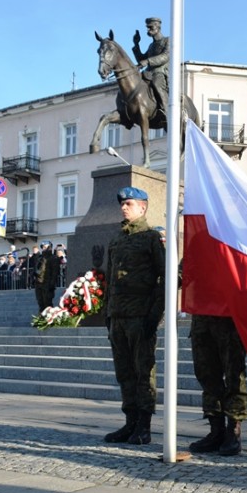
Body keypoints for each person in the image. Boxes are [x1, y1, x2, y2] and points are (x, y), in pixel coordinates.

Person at [103, 186, 165, 446]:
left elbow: (166, 277)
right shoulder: (117, 239)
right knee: (125, 372)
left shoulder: (151, 238)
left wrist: (155, 314)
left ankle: (144, 425)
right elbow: (109, 279)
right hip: (118, 316)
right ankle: (130, 422)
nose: (124, 207)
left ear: (143, 207)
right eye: (123, 204)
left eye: (129, 203)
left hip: (141, 317)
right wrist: (108, 313)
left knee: (143, 372)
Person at [188, 315, 247, 457]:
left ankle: (234, 429)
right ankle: (216, 431)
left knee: (234, 377)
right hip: (202, 319)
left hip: (228, 318)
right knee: (207, 376)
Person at [132, 17, 170, 118]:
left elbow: (165, 56)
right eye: (147, 28)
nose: (148, 30)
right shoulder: (151, 46)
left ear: (158, 27)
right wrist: (136, 44)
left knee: (156, 83)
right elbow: (141, 59)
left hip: (161, 72)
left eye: (150, 27)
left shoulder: (167, 40)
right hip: (149, 72)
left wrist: (148, 61)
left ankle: (165, 109)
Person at [34, 241, 60, 312]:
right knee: (40, 303)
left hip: (47, 284)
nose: (44, 248)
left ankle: (49, 320)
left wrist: (52, 284)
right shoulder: (40, 258)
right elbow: (36, 269)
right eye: (43, 247)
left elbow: (55, 273)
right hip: (39, 283)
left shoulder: (53, 258)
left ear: (50, 248)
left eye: (45, 247)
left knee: (47, 304)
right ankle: (41, 320)